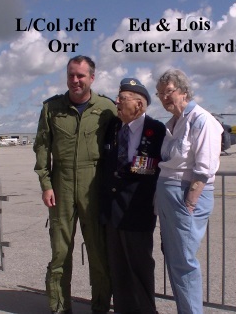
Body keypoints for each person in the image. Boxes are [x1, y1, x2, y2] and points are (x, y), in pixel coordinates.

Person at [33, 55, 116, 314]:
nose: (75, 80)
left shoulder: (106, 108)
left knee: (99, 255)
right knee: (60, 254)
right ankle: (59, 308)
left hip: (94, 189)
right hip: (61, 187)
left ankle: (101, 307)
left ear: (92, 77)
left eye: (80, 75)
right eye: (71, 75)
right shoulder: (51, 108)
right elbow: (42, 148)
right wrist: (46, 184)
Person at [154, 69, 223, 314]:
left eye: (168, 91)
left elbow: (204, 168)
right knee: (174, 261)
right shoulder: (173, 123)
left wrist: (190, 202)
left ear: (184, 91)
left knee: (184, 261)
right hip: (168, 196)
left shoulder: (202, 120)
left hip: (185, 197)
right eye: (160, 93)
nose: (164, 97)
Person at [100, 78, 165, 314]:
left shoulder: (156, 130)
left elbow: (153, 167)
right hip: (112, 213)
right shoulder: (113, 128)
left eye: (123, 98)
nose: (117, 102)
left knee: (140, 269)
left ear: (139, 104)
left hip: (138, 212)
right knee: (118, 271)